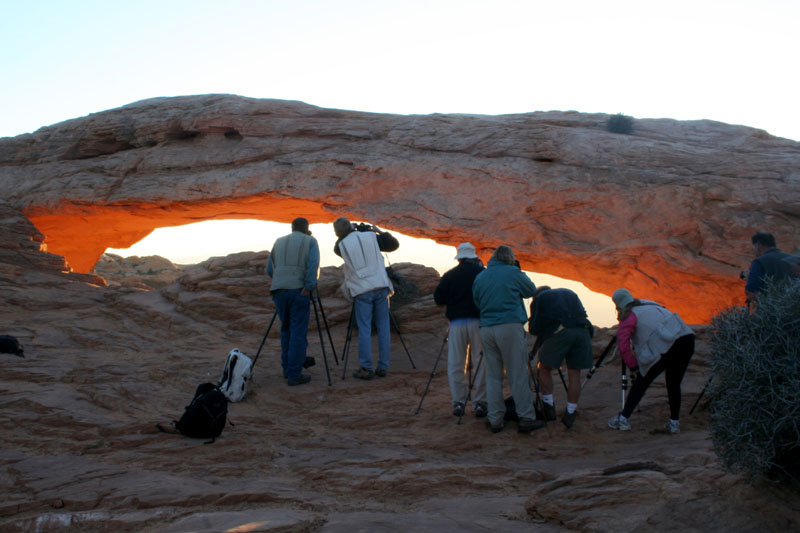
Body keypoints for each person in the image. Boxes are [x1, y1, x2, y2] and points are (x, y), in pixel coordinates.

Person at [472, 245, 544, 434]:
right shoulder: (513, 272)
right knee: (517, 373)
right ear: (510, 258)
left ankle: (495, 419)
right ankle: (526, 417)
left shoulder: (481, 276)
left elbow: (477, 301)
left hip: (487, 328)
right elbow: (530, 290)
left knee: (493, 376)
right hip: (510, 326)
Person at [607, 288, 695, 434]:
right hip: (686, 338)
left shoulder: (629, 316)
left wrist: (634, 366)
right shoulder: (649, 303)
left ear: (617, 305)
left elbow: (623, 346)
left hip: (666, 344)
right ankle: (674, 423)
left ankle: (622, 419)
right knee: (673, 382)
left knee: (642, 380)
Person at [333, 217, 399, 379]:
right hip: (381, 286)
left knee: (365, 329)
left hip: (362, 290)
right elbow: (393, 245)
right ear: (351, 226)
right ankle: (383, 367)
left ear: (337, 233)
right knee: (384, 327)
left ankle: (366, 368)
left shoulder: (341, 245)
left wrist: (348, 232)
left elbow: (337, 248)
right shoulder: (371, 237)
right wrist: (374, 231)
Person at [433, 242, 487, 418]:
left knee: (456, 363)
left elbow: (438, 299)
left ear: (459, 257)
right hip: (479, 322)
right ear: (473, 257)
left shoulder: (450, 275)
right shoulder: (482, 274)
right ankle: (480, 402)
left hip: (456, 324)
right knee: (481, 362)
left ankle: (458, 402)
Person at [529, 286, 594, 428]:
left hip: (562, 332)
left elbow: (534, 329)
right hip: (583, 331)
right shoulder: (569, 292)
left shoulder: (539, 299)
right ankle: (570, 412)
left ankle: (549, 408)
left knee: (544, 368)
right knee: (574, 373)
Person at [266, 217, 320, 386]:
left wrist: (280, 280)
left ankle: (287, 368)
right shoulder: (310, 241)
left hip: (279, 290)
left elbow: (269, 268)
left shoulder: (278, 241)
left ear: (292, 228)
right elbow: (313, 264)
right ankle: (294, 374)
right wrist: (309, 285)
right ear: (306, 229)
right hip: (299, 290)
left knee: (286, 329)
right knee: (298, 332)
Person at [745, 231, 794, 303]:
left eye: (753, 246)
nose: (752, 250)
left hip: (771, 309)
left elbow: (751, 292)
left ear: (758, 246)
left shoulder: (759, 261)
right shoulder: (792, 259)